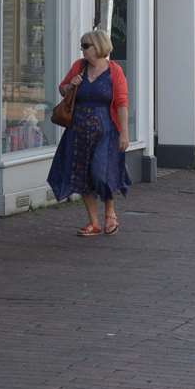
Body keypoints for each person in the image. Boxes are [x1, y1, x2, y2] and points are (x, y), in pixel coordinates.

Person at [48, 28, 131, 237]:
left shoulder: (114, 71)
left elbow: (122, 104)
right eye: (82, 46)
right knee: (82, 175)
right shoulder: (79, 67)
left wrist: (124, 134)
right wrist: (69, 86)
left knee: (100, 172)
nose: (82, 50)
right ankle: (93, 222)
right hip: (78, 131)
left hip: (105, 131)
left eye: (86, 46)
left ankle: (110, 213)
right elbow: (63, 89)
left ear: (99, 47)